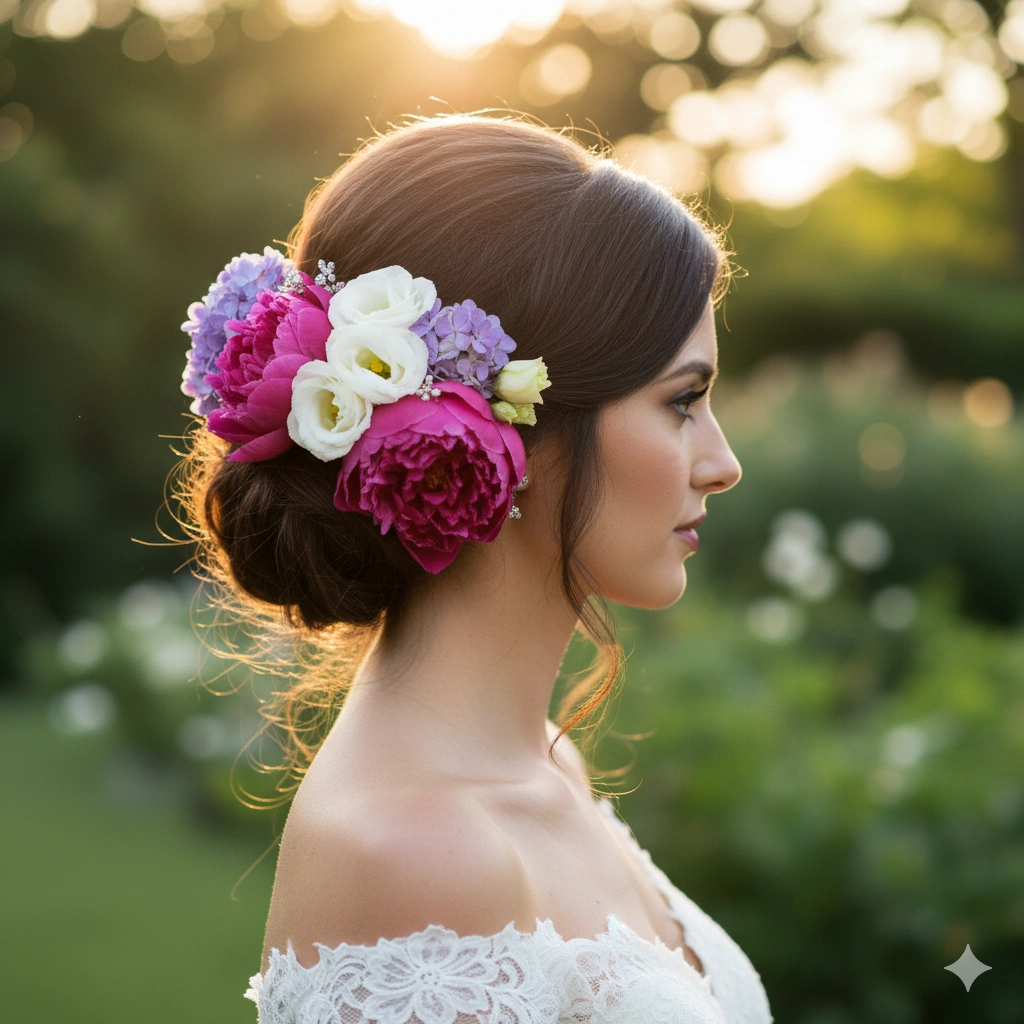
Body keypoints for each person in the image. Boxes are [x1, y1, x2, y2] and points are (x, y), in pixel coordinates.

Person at [176, 113, 769, 1023]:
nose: (722, 462)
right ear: (513, 416)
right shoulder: (414, 855)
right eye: (683, 401)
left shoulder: (549, 764)